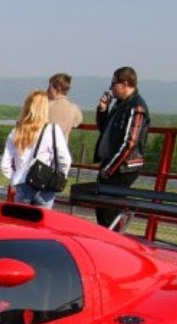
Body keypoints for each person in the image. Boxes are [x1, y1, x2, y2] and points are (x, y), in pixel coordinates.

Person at [93, 66, 150, 227]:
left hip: (124, 168)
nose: (111, 87)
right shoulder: (120, 104)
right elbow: (105, 129)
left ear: (124, 84)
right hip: (111, 164)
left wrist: (110, 169)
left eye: (113, 83)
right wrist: (103, 109)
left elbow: (130, 143)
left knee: (110, 209)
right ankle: (106, 240)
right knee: (102, 208)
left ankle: (113, 242)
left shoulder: (136, 107)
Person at [0, 90, 72, 209]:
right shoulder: (52, 130)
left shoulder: (16, 131)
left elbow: (5, 165)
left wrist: (15, 177)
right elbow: (65, 160)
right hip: (45, 187)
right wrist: (59, 175)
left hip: (22, 185)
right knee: (41, 224)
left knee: (20, 224)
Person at [46, 73, 83, 141]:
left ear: (58, 89)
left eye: (49, 87)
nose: (47, 90)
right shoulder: (74, 109)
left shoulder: (44, 106)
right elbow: (77, 121)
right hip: (61, 149)